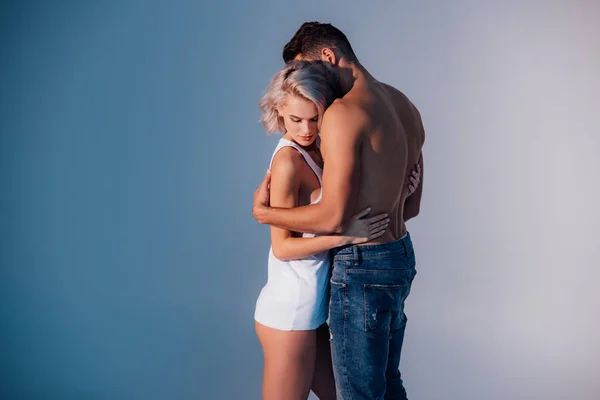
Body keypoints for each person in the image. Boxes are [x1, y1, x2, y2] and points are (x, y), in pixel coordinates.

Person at [253, 22, 425, 400]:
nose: (304, 81)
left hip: (363, 264)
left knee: (363, 393)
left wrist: (266, 214)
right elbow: (410, 206)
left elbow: (331, 216)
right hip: (399, 255)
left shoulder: (342, 115)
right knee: (386, 383)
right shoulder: (403, 105)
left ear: (327, 57)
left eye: (306, 68)